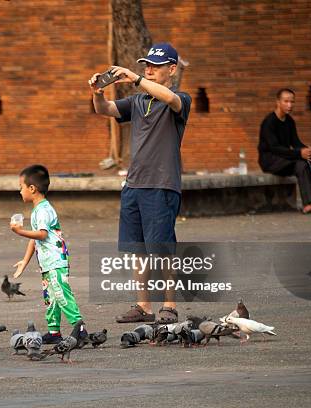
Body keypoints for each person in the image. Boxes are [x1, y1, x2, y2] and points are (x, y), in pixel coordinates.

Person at [88, 43, 191, 324]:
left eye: (156, 66)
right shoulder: (137, 102)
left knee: (162, 249)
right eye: (146, 65)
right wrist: (97, 92)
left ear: (172, 69)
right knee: (138, 250)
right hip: (134, 185)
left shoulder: (180, 99)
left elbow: (170, 98)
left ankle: (169, 305)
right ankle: (143, 306)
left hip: (162, 185)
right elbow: (105, 109)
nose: (148, 69)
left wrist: (135, 78)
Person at [10, 164, 86, 344]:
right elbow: (35, 240)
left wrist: (19, 231)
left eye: (21, 187)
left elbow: (42, 234)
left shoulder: (43, 210)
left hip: (55, 262)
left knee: (61, 295)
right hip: (47, 264)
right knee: (50, 298)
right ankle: (54, 332)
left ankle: (80, 329)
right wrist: (24, 261)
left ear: (32, 189)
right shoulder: (38, 210)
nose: (19, 191)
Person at [258, 88, 311, 214]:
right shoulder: (269, 122)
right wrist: (299, 153)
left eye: (292, 102)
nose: (290, 105)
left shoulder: (289, 121)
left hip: (284, 159)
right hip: (270, 161)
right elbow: (275, 148)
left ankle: (309, 204)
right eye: (286, 101)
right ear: (278, 102)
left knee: (304, 161)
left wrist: (306, 149)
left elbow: (295, 143)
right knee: (301, 160)